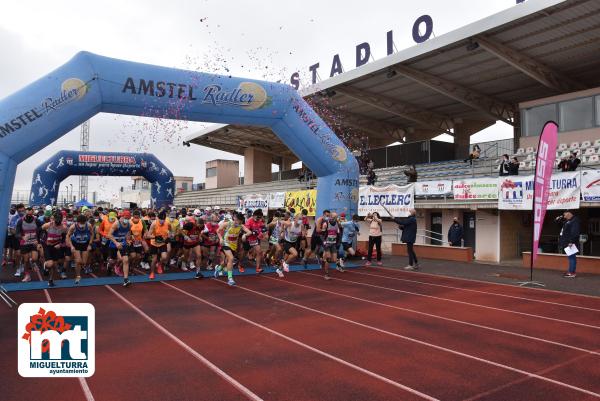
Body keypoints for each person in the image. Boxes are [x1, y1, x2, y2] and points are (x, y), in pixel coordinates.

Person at [217, 212, 251, 286]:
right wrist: (220, 239)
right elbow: (218, 231)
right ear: (235, 219)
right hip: (225, 244)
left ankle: (219, 268)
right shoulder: (227, 224)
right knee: (231, 258)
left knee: (226, 261)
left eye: (240, 221)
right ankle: (230, 278)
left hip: (233, 246)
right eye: (237, 220)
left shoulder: (241, 226)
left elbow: (249, 232)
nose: (238, 222)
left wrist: (245, 235)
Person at [383, 205, 419, 270]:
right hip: (410, 236)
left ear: (412, 213)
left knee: (410, 251)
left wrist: (394, 219)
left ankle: (411, 265)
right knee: (411, 250)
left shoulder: (412, 219)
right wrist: (400, 227)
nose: (408, 212)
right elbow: (405, 227)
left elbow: (403, 222)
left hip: (410, 237)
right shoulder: (411, 219)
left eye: (410, 211)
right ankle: (416, 263)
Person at [15, 207, 42, 282]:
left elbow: (41, 230)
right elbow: (17, 233)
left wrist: (38, 240)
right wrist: (22, 237)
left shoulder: (36, 220)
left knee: (34, 258)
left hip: (34, 242)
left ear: (33, 213)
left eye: (31, 214)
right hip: (25, 243)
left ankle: (32, 262)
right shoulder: (20, 221)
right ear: (25, 214)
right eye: (28, 214)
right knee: (26, 260)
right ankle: (27, 275)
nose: (29, 216)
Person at [66, 214, 94, 285]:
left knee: (83, 262)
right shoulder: (73, 227)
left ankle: (77, 264)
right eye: (81, 223)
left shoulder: (89, 226)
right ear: (77, 222)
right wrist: (71, 246)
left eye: (83, 223)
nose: (82, 224)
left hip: (85, 244)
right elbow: (68, 236)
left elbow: (92, 234)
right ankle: (78, 276)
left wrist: (90, 244)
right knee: (78, 261)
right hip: (76, 244)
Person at [107, 210, 132, 287]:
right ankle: (109, 265)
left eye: (128, 218)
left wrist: (128, 240)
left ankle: (126, 279)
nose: (127, 219)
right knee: (113, 260)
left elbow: (128, 233)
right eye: (125, 217)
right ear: (122, 216)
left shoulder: (129, 224)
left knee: (126, 260)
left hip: (123, 244)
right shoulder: (116, 224)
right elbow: (109, 235)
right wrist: (116, 243)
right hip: (113, 244)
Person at [147, 211, 171, 280]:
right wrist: (155, 237)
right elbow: (148, 235)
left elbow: (171, 231)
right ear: (158, 218)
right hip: (154, 243)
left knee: (164, 257)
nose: (162, 221)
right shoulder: (154, 224)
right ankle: (152, 273)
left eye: (163, 219)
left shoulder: (167, 223)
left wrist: (168, 237)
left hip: (162, 243)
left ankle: (159, 264)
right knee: (154, 259)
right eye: (160, 219)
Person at [557, 211, 580, 278]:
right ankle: (570, 271)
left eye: (564, 215)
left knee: (572, 258)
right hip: (566, 242)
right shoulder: (568, 221)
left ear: (569, 213)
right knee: (571, 257)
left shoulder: (574, 220)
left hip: (570, 243)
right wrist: (558, 219)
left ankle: (572, 272)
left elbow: (575, 232)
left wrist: (571, 241)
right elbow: (560, 226)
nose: (564, 216)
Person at [321, 212, 340, 280]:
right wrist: (324, 242)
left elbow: (338, 234)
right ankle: (326, 274)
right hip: (327, 244)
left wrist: (338, 242)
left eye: (336, 217)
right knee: (328, 258)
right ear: (330, 217)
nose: (334, 218)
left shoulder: (337, 224)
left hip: (333, 244)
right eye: (333, 217)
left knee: (334, 260)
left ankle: (323, 260)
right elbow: (321, 235)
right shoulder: (325, 224)